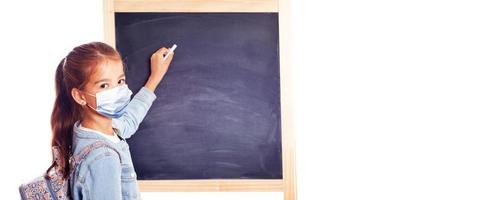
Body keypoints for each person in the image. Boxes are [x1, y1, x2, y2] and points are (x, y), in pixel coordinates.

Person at [49, 42, 174, 199]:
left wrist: (155, 77)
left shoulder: (93, 130)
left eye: (120, 81)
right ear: (80, 96)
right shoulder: (103, 158)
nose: (116, 91)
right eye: (104, 85)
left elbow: (128, 121)